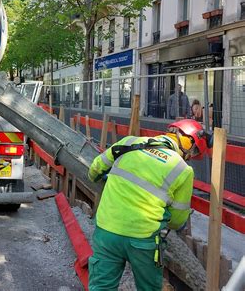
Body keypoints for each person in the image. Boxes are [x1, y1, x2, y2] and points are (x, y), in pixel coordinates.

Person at [87, 119, 211, 291]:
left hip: (107, 230)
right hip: (143, 241)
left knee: (101, 286)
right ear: (189, 142)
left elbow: (94, 170)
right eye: (193, 151)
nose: (190, 156)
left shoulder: (129, 142)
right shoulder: (183, 170)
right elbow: (176, 221)